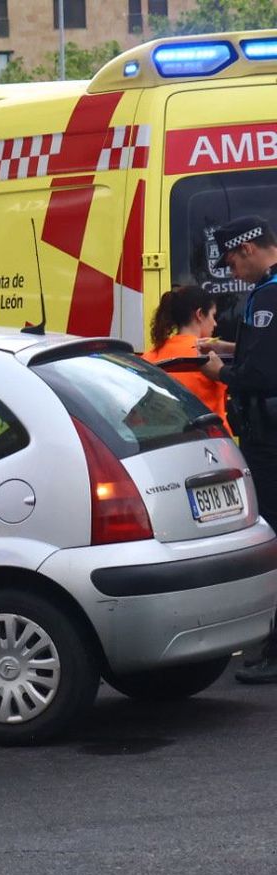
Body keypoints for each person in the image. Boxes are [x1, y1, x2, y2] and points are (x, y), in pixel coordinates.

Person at [200, 216, 277, 684]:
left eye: (231, 262)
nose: (231, 271)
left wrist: (219, 372)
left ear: (248, 249)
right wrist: (230, 347)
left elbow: (263, 374)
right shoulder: (268, 289)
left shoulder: (269, 294)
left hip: (270, 437)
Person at [143, 285, 225, 424]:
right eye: (213, 315)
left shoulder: (149, 357)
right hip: (210, 435)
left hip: (170, 436)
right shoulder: (212, 355)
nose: (215, 323)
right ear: (200, 314)